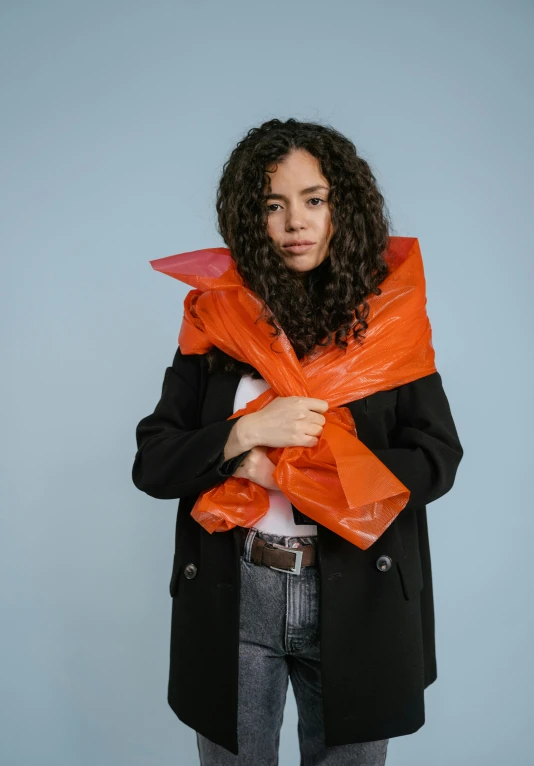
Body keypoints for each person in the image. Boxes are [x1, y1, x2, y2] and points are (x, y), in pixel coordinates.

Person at [132, 118, 464, 765]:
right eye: (273, 205)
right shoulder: (216, 320)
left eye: (313, 200)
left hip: (359, 596)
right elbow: (153, 460)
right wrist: (246, 433)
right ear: (251, 218)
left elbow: (436, 458)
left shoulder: (390, 325)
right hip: (238, 591)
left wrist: (294, 472)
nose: (294, 222)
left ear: (342, 206)